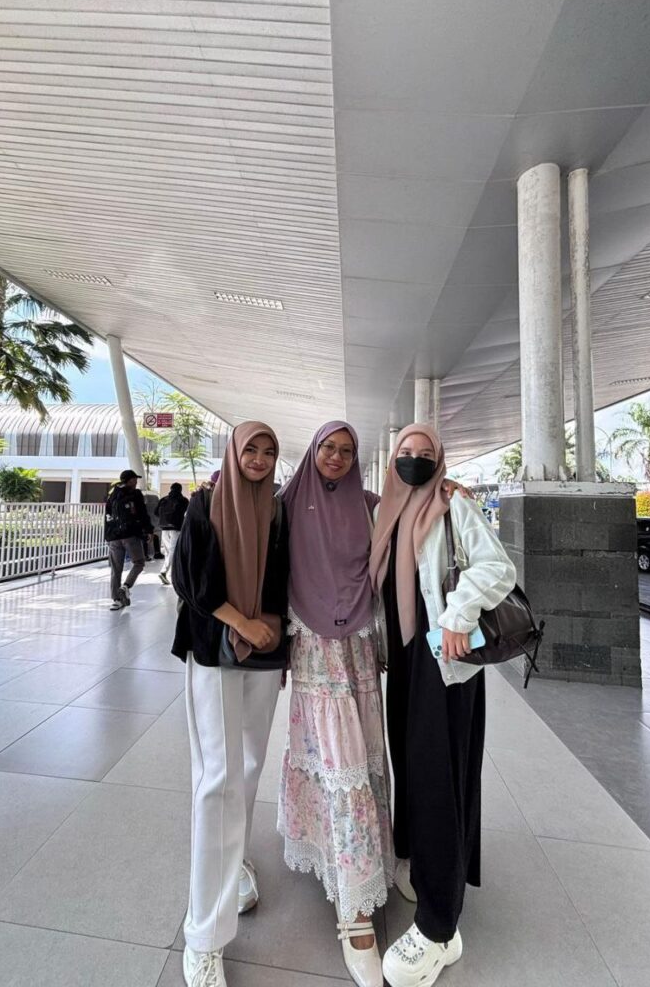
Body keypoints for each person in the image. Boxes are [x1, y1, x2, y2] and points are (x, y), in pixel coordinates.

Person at [369, 425, 516, 987]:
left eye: (424, 454)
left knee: (438, 779)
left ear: (440, 460)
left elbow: (497, 568)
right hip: (406, 662)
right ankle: (420, 864)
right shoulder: (387, 512)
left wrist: (458, 614)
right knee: (411, 767)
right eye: (404, 453)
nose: (413, 461)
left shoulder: (455, 505)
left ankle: (438, 929)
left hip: (446, 661)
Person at [172, 422, 290, 987]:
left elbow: (286, 577)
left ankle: (233, 856)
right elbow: (189, 578)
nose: (259, 459)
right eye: (251, 450)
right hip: (214, 649)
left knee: (248, 765)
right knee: (217, 778)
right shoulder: (204, 503)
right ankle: (204, 936)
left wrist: (271, 627)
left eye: (269, 452)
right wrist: (242, 622)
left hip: (264, 653)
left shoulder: (278, 511)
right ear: (233, 452)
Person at [277, 421, 392, 987]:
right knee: (336, 762)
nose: (338, 457)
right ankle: (354, 907)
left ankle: (368, 860)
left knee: (360, 759)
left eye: (347, 451)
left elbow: (412, 518)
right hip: (313, 650)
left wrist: (449, 491)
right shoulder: (285, 504)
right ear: (313, 450)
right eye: (329, 447)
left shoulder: (368, 505)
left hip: (359, 649)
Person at [104, 469, 153, 611]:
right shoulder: (135, 494)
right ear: (129, 480)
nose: (136, 482)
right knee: (139, 563)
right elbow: (142, 513)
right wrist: (148, 530)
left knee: (116, 569)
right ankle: (125, 586)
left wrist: (107, 536)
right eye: (134, 479)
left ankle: (116, 600)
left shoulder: (112, 495)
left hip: (114, 537)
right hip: (130, 535)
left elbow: (107, 516)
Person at [155, 483, 188, 584]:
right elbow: (187, 513)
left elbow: (156, 512)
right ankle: (165, 572)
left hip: (164, 528)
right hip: (176, 528)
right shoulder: (183, 500)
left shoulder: (163, 499)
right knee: (173, 551)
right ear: (180, 490)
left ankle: (168, 573)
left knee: (168, 552)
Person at [142, 488, 164, 560]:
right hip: (155, 523)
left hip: (147, 524)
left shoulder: (143, 504)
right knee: (154, 537)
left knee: (145, 538)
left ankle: (145, 555)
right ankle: (156, 553)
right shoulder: (157, 504)